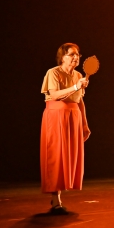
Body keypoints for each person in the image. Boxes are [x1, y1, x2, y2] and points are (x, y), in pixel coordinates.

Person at [40, 43, 90, 214]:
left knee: (68, 156)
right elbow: (54, 95)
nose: (76, 57)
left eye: (78, 54)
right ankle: (55, 199)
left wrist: (84, 123)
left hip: (73, 117)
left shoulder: (78, 75)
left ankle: (60, 194)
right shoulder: (53, 72)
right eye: (72, 54)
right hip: (56, 117)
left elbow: (79, 101)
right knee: (56, 155)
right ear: (62, 57)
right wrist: (76, 86)